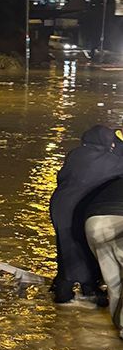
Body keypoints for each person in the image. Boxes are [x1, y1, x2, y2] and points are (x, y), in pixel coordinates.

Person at [50, 125, 123, 303]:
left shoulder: (76, 154)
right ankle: (84, 288)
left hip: (60, 204)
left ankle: (66, 288)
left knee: (66, 245)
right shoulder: (109, 161)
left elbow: (62, 177)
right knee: (84, 246)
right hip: (81, 206)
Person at [82, 175, 123, 338]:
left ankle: (119, 329)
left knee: (114, 283)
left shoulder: (115, 182)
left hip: (93, 223)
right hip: (118, 221)